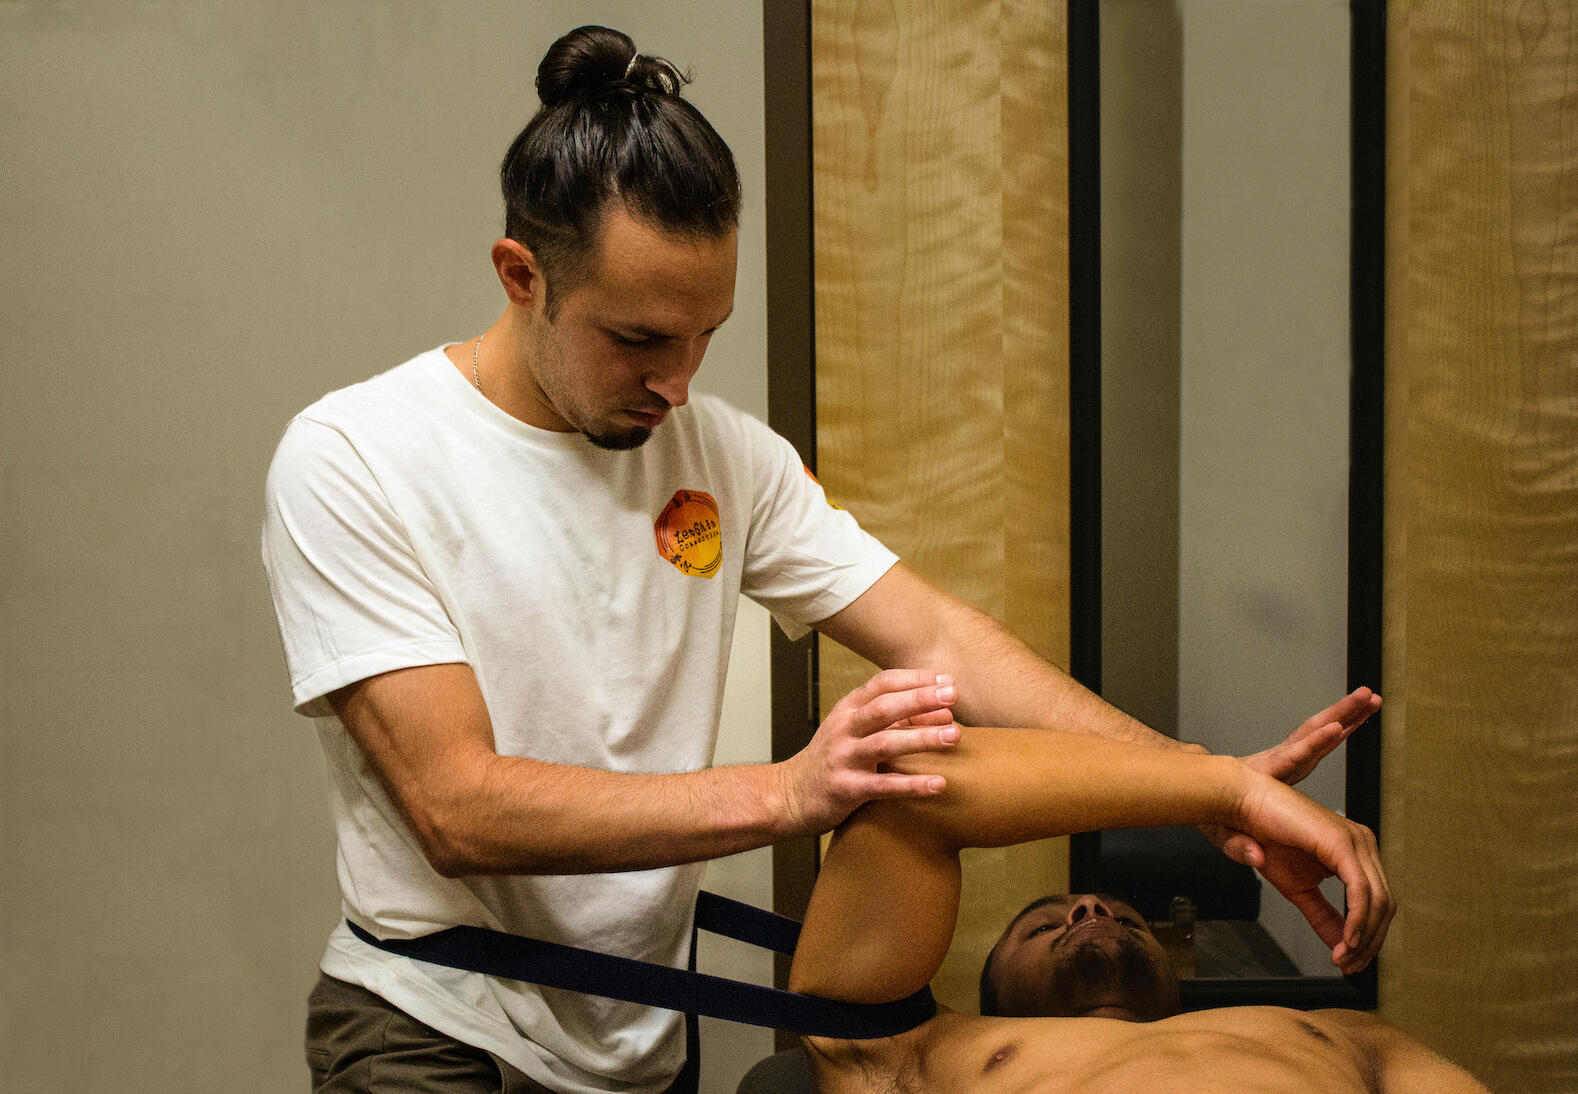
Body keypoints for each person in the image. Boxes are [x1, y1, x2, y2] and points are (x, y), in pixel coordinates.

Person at [261, 23, 1382, 1094]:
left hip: (637, 1033)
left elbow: (941, 639)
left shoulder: (724, 457)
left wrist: (1204, 788)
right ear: (522, 274)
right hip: (432, 1021)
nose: (677, 384)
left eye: (705, 335)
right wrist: (791, 791)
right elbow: (458, 807)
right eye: (639, 338)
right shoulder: (358, 457)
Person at [785, 729, 1489, 1094]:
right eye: (1043, 925)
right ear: (993, 997)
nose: (1092, 905)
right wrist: (1228, 791)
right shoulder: (917, 1052)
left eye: (1127, 917)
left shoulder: (1342, 1033)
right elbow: (911, 787)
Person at [979, 891, 1182, 1022]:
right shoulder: (969, 1043)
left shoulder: (1203, 1032)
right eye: (1044, 927)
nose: (1090, 903)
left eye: (1124, 921)